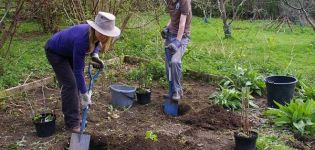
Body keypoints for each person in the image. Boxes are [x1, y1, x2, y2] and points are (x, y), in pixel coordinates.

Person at [44, 12, 120, 133]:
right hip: (55, 52)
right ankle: (72, 123)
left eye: (107, 34)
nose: (105, 36)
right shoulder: (82, 39)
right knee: (71, 84)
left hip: (68, 51)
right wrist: (84, 94)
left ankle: (74, 115)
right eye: (102, 32)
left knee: (75, 84)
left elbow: (97, 43)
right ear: (95, 28)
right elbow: (78, 71)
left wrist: (95, 54)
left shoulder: (96, 36)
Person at [161, 0, 192, 101]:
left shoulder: (184, 1)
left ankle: (177, 91)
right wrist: (167, 27)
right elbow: (173, 18)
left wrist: (177, 42)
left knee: (175, 61)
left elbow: (182, 24)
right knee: (168, 65)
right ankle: (172, 91)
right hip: (170, 35)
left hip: (181, 37)